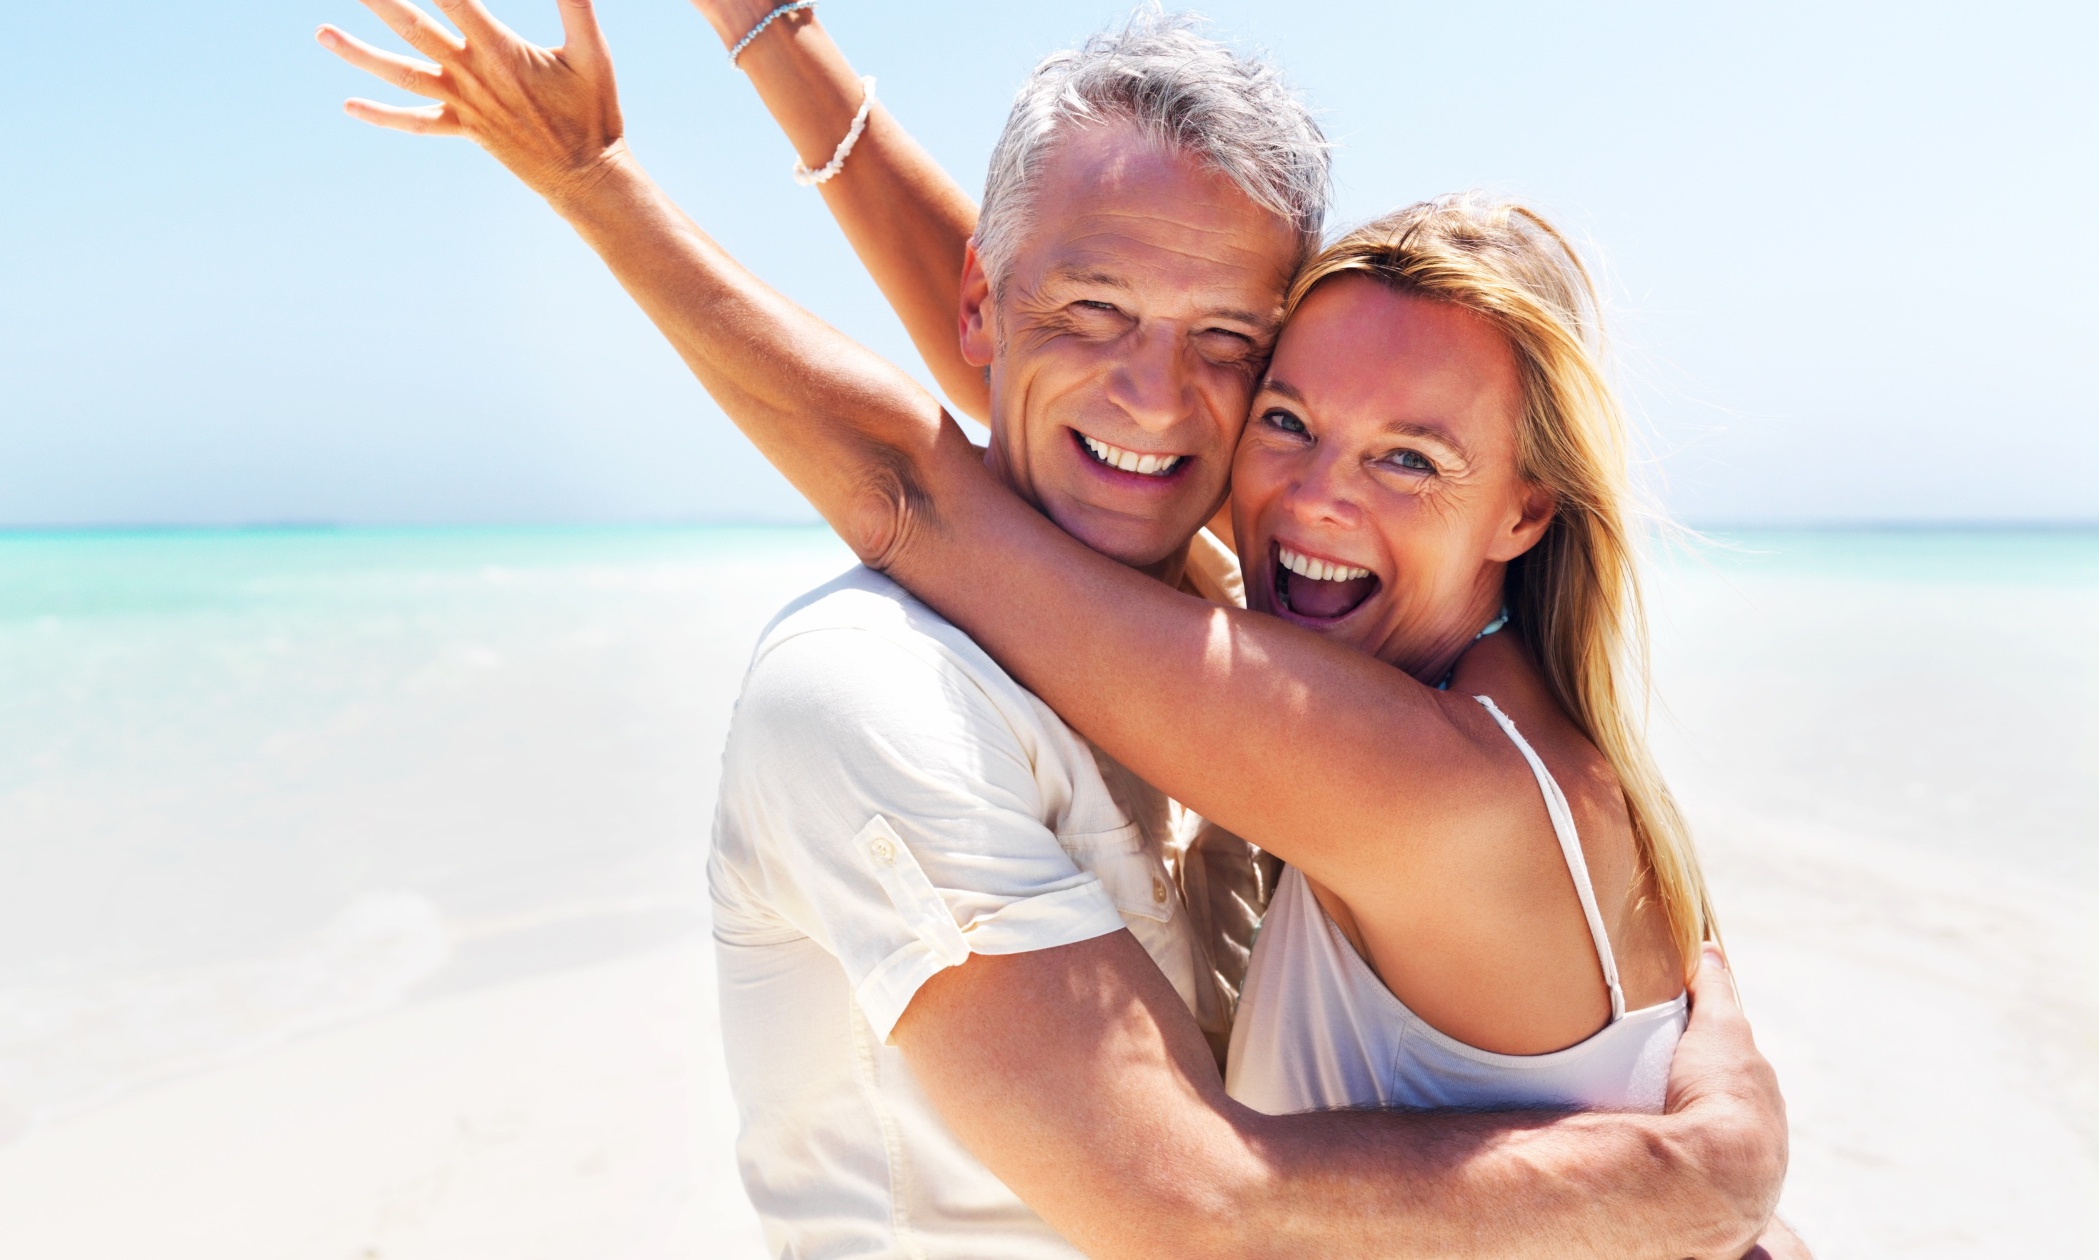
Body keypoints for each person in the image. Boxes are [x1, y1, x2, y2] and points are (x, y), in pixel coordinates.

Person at [315, 2, 1797, 1256]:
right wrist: (773, 33)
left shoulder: (1395, 750)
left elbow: (935, 480)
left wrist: (596, 184)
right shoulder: (1388, 634)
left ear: (1525, 512)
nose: (1300, 489)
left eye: (1410, 458)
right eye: (1287, 414)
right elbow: (1062, 348)